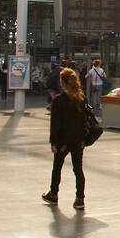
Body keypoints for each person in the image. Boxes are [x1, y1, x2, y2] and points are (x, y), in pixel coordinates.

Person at [42, 68, 88, 211]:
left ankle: (53, 193)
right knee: (78, 169)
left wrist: (54, 142)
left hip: (63, 140)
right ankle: (80, 198)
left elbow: (55, 123)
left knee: (57, 167)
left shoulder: (59, 100)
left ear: (62, 82)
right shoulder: (81, 98)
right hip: (78, 139)